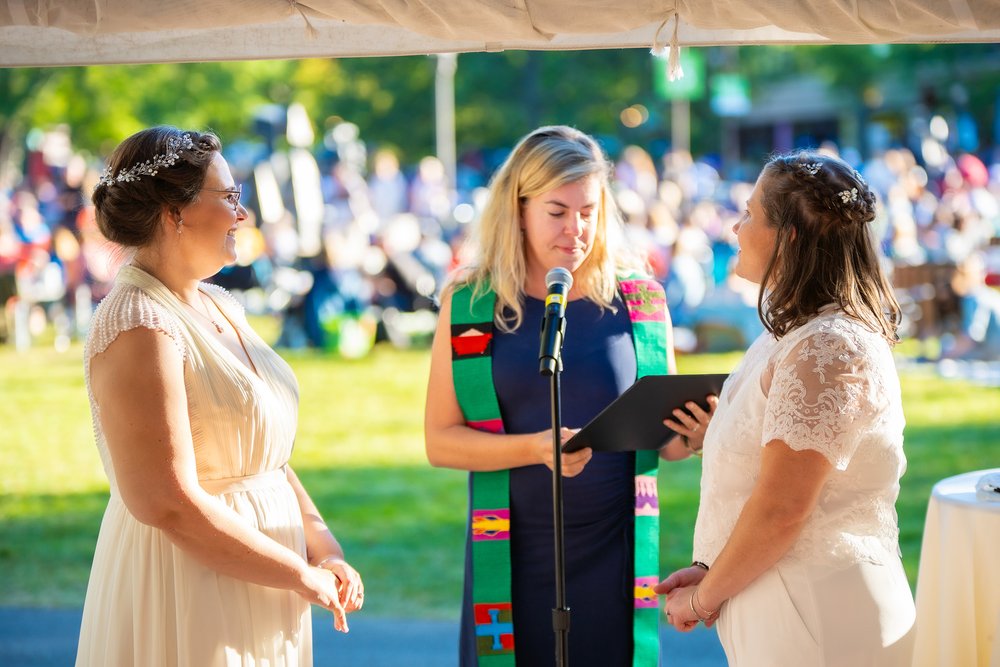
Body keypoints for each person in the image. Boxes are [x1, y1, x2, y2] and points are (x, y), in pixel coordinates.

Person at [76, 126, 363, 667]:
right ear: (173, 212)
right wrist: (298, 573)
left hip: (267, 578)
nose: (242, 213)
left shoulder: (220, 302)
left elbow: (264, 454)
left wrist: (324, 547)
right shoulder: (139, 322)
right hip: (191, 589)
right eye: (230, 196)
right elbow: (167, 503)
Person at [424, 125, 695, 667]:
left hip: (615, 556)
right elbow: (441, 442)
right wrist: (536, 448)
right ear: (518, 208)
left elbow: (665, 441)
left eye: (590, 211)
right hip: (512, 555)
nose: (577, 229)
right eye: (557, 212)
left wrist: (696, 433)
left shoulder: (641, 300)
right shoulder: (471, 304)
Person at [656, 151, 915, 666]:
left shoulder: (829, 348)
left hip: (818, 611)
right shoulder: (798, 335)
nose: (735, 225)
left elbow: (782, 510)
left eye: (750, 214)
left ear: (788, 237)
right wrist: (714, 569)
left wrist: (703, 600)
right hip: (783, 597)